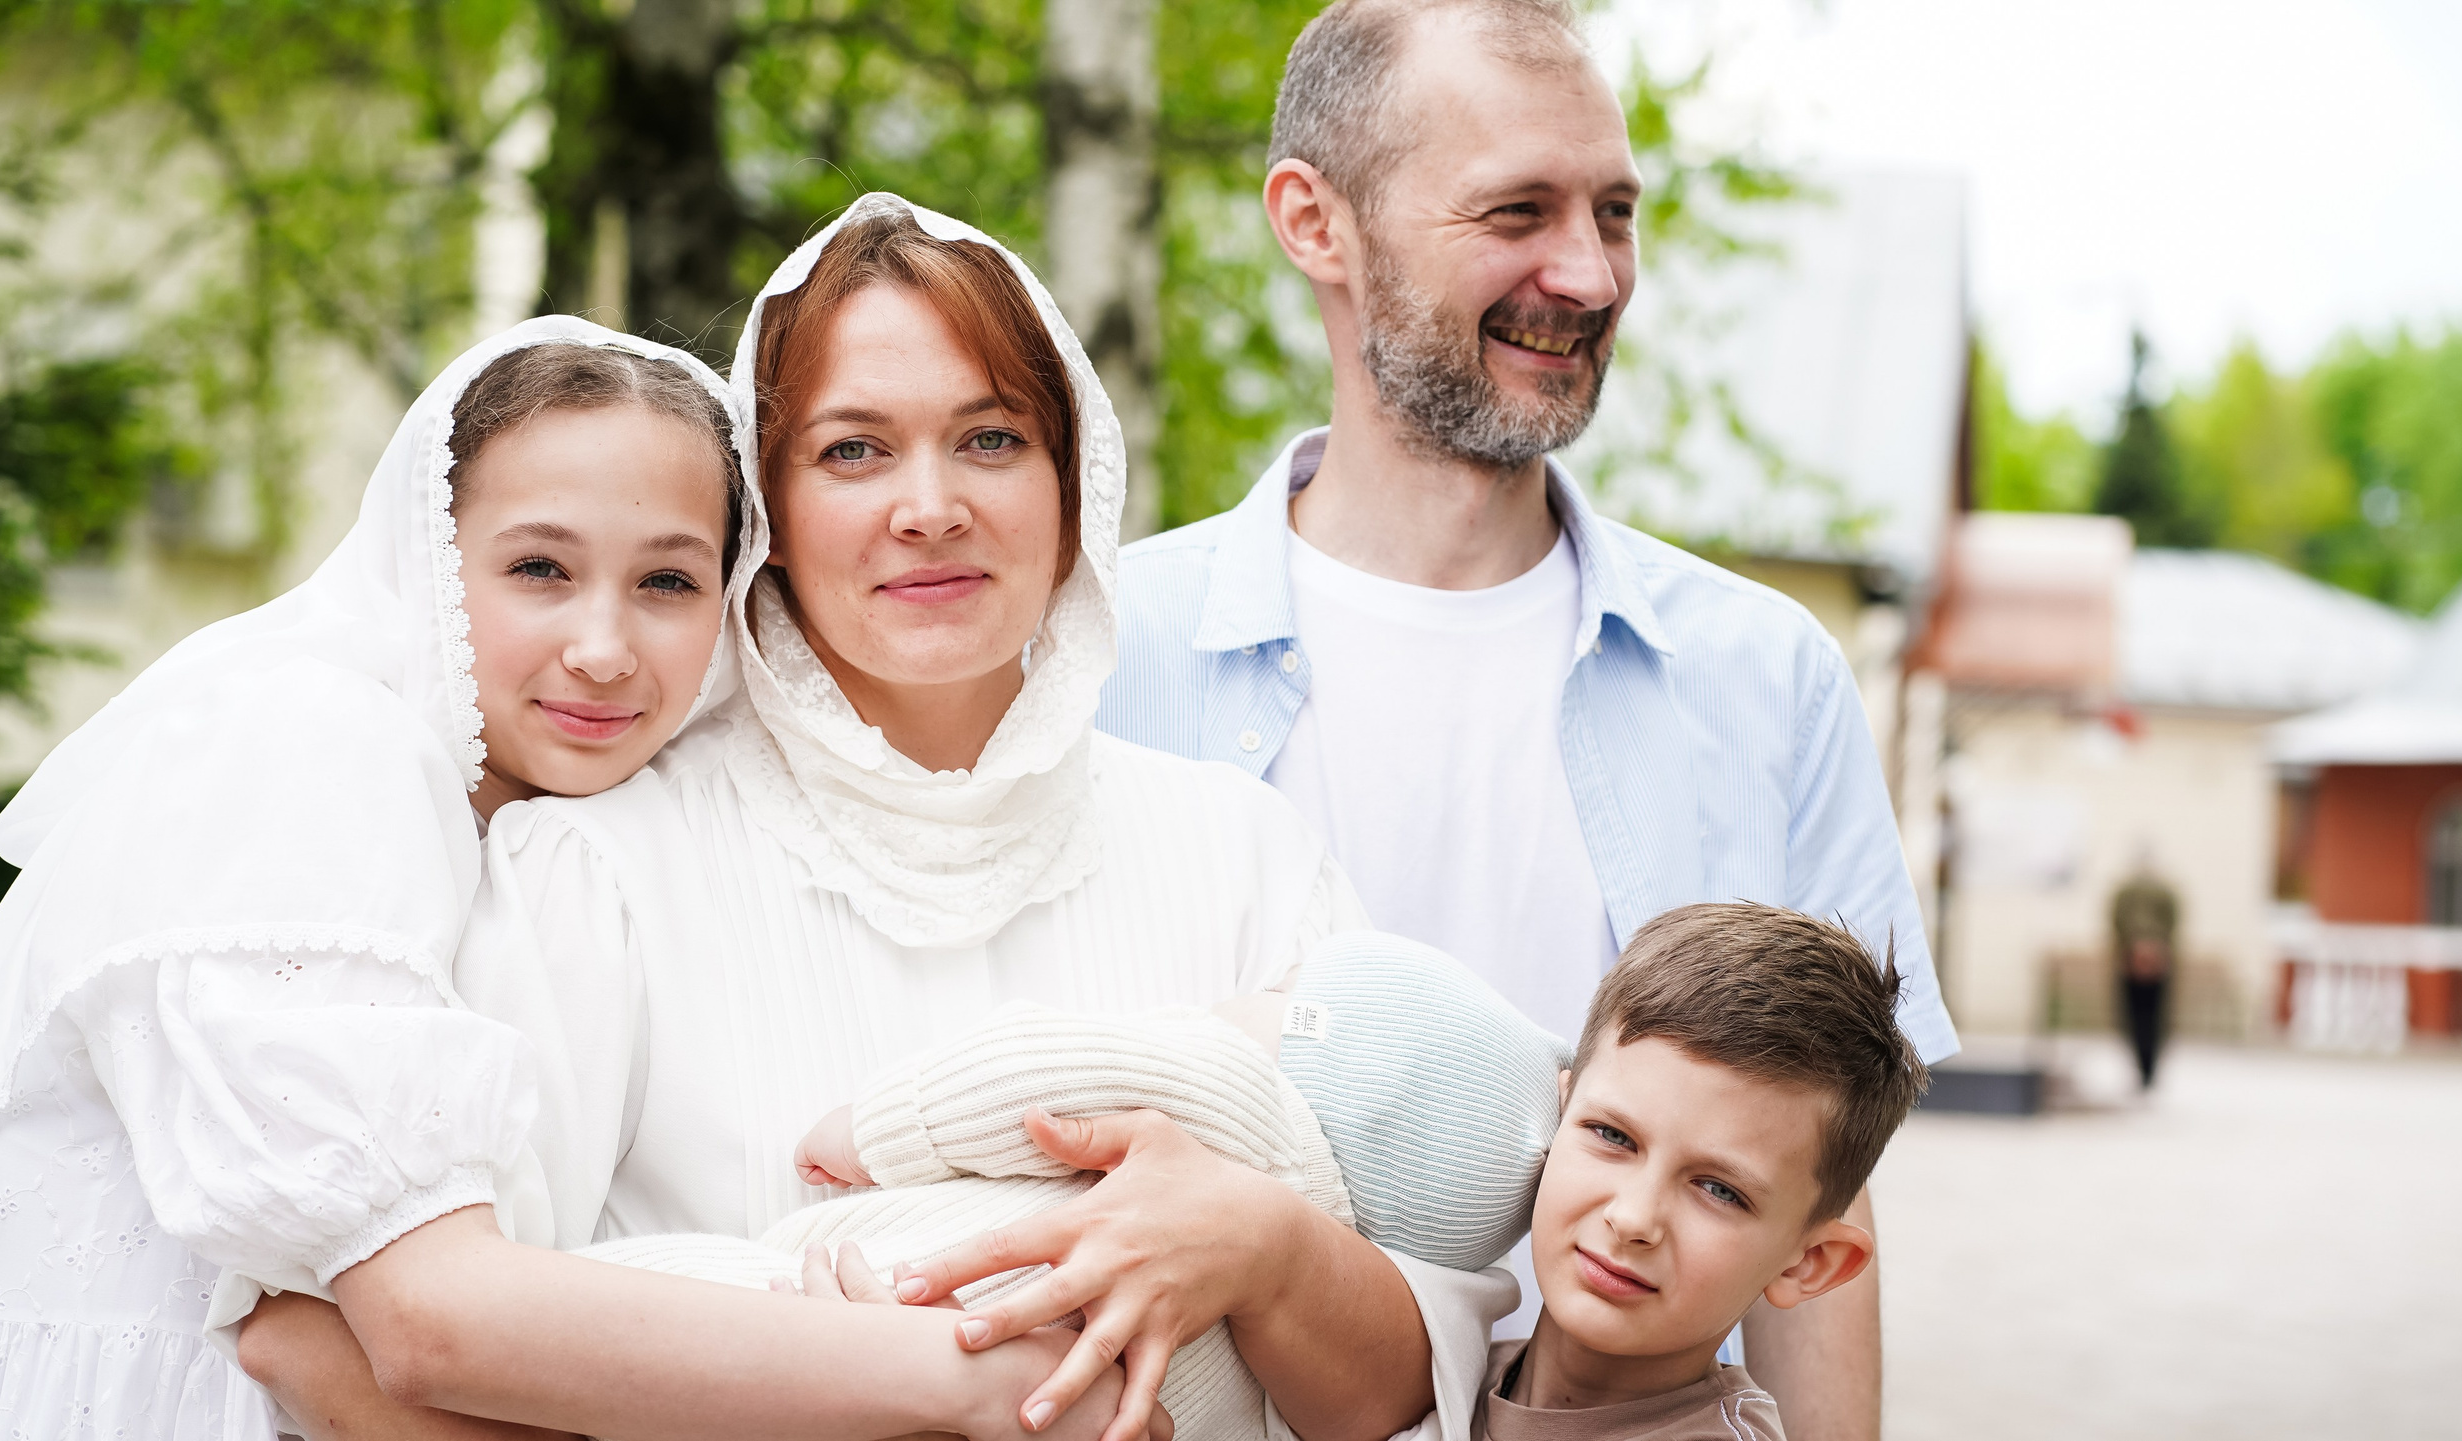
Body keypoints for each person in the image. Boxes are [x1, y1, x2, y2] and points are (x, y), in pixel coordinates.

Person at [234, 194, 1506, 1441]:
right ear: (767, 517)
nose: (930, 506)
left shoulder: (1244, 853)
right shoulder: (598, 866)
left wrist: (1264, 1248)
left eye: (993, 438)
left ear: (1077, 481)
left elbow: (1396, 1395)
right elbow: (410, 1362)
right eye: (853, 450)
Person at [1098, 4, 1955, 1432]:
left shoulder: (1768, 680)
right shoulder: (1102, 660)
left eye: (1615, 213)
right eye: (1519, 211)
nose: (1587, 272)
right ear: (1317, 221)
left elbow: (1828, 1212)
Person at [0, 321, 749, 1438]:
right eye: (539, 568)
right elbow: (409, 1318)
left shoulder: (558, 835)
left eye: (668, 579)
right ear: (430, 560)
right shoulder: (313, 747)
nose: (605, 646)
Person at [577, 931, 1572, 1441]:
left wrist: (876, 1128)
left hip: (867, 1294)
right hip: (1022, 1398)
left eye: (1284, 988)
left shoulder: (1234, 1090)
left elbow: (1033, 1075)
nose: (1252, 993)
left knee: (675, 1292)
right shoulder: (1283, 1343)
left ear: (1321, 1043)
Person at [1483, 903, 1928, 1441]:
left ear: (1809, 1262)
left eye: (1718, 1190)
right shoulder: (1437, 1369)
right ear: (1556, 1114)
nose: (1633, 1218)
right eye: (1612, 1135)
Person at [2109, 860, 2178, 1089]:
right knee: (2143, 1017)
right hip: (2135, 956)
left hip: (2148, 956)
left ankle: (2147, 1068)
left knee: (2145, 1016)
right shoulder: (2132, 892)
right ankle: (2144, 1068)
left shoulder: (2134, 892)